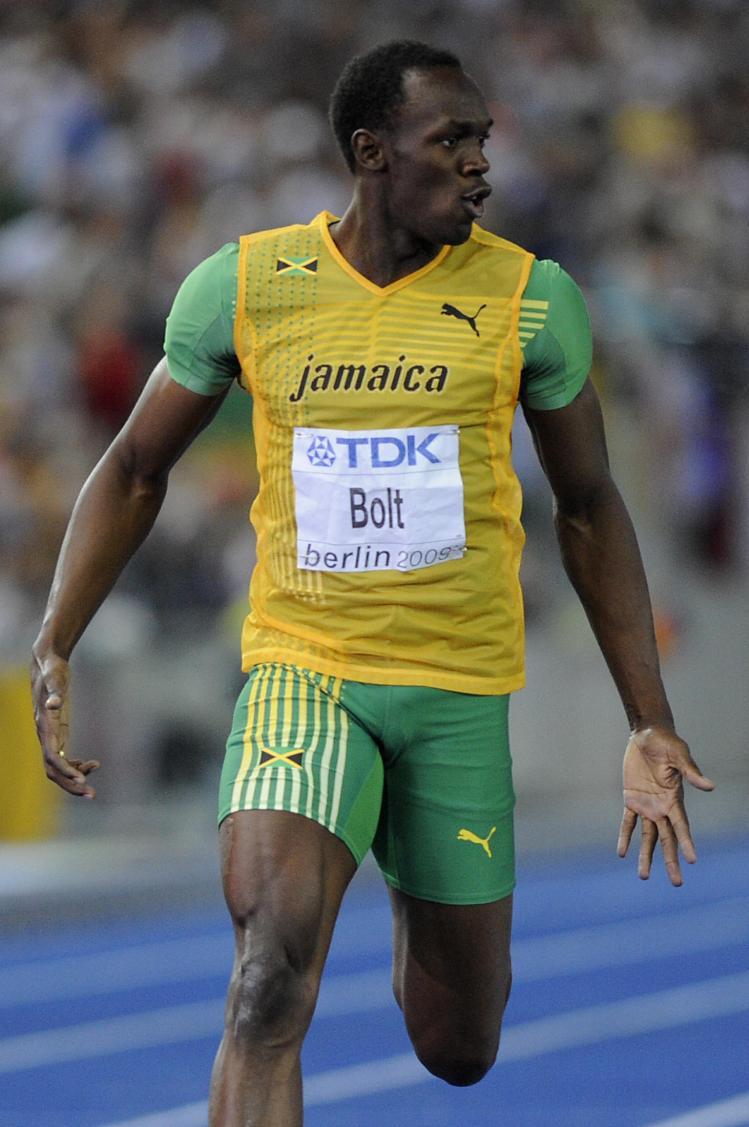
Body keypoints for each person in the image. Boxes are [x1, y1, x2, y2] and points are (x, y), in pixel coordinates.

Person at [31, 39, 714, 1127]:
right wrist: (57, 634)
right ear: (372, 151)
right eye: (454, 140)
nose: (482, 164)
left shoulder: (533, 299)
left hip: (454, 690)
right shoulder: (247, 285)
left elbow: (589, 505)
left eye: (484, 139)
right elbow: (132, 466)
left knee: (459, 1042)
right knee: (266, 981)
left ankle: (413, 876)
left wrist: (648, 716)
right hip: (307, 674)